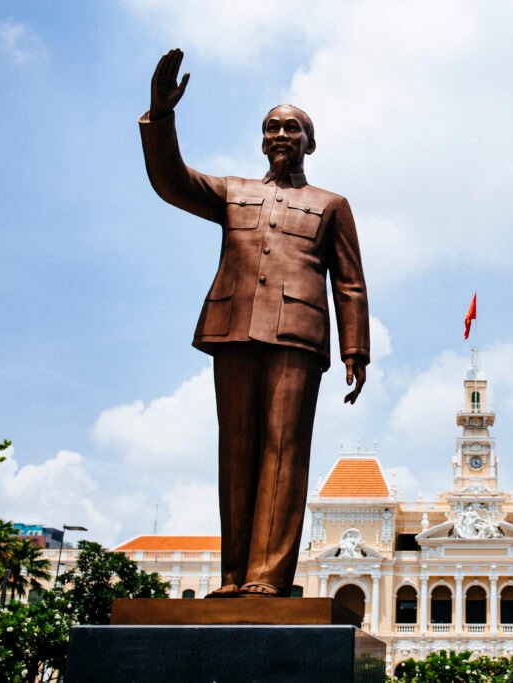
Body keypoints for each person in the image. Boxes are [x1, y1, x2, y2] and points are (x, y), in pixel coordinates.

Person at [138, 49, 370, 598]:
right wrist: (161, 116)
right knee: (236, 449)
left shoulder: (330, 204)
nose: (281, 135)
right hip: (233, 327)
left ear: (310, 142)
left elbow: (350, 282)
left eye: (292, 128)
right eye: (272, 128)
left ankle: (267, 579)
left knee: (284, 449)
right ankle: (233, 578)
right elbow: (171, 181)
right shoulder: (232, 192)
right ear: (262, 140)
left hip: (297, 334)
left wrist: (355, 349)